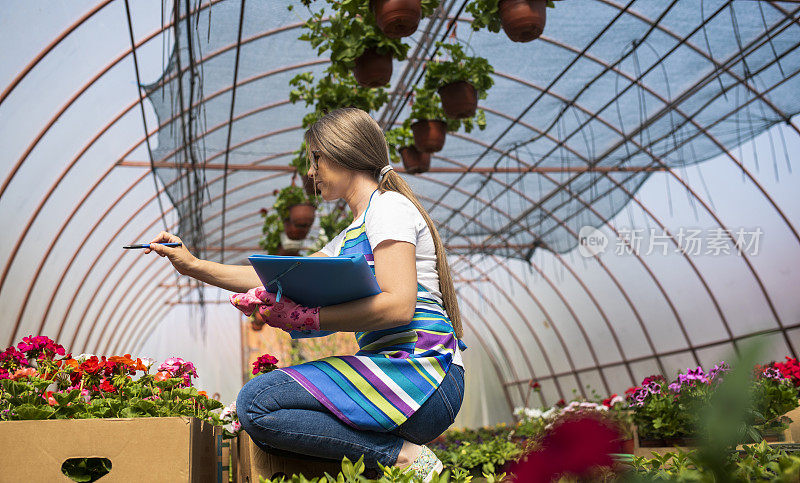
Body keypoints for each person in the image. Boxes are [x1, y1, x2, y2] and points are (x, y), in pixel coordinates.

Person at [145, 107, 466, 481]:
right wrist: (193, 265)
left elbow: (397, 306)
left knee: (259, 404)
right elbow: (273, 277)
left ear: (344, 153)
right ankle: (393, 462)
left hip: (422, 373)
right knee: (267, 420)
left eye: (316, 159)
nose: (311, 173)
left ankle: (403, 458)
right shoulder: (349, 237)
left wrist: (311, 318)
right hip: (400, 378)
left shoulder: (389, 209)